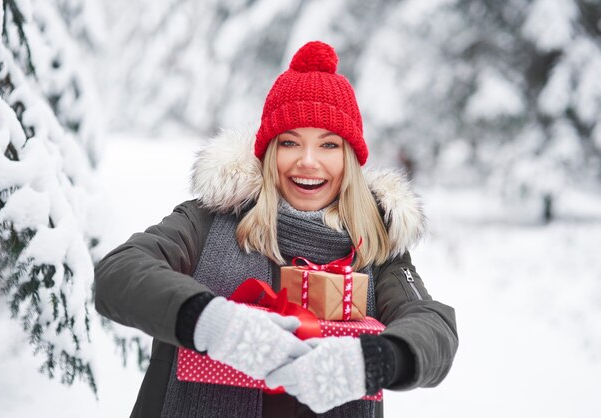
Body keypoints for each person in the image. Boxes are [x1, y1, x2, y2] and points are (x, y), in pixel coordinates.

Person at [94, 41, 458, 418]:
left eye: (329, 145)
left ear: (349, 159)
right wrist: (214, 324)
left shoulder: (377, 249)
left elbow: (434, 327)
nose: (308, 161)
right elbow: (119, 274)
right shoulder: (208, 221)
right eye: (290, 142)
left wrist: (373, 361)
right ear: (269, 152)